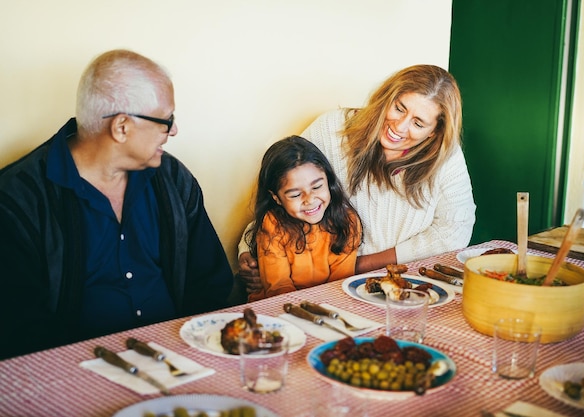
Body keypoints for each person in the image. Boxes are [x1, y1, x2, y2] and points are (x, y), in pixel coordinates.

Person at [0, 49, 233, 359]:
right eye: (167, 120)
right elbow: (21, 330)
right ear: (121, 127)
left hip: (178, 360)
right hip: (75, 375)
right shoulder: (18, 200)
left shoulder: (174, 180)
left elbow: (210, 284)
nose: (174, 130)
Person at [238, 64, 475, 294]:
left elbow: (454, 232)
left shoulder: (446, 158)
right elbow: (286, 189)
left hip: (402, 285)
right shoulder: (332, 129)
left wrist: (355, 266)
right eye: (399, 108)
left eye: (418, 123)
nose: (400, 127)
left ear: (434, 132)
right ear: (386, 97)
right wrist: (250, 252)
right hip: (319, 284)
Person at [245, 136, 362, 301]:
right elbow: (278, 287)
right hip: (279, 307)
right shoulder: (272, 224)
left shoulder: (347, 222)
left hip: (331, 305)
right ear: (276, 198)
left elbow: (340, 285)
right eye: (295, 194)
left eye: (317, 186)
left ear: (328, 181)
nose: (309, 199)